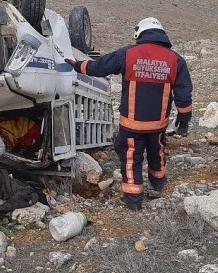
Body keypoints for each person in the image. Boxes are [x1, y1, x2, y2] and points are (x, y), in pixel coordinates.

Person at [65, 17, 193, 211]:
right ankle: (158, 184)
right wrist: (183, 123)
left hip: (132, 124)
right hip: (158, 125)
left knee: (131, 158)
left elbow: (99, 67)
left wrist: (77, 65)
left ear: (139, 34)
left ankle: (133, 201)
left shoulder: (128, 54)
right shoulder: (175, 60)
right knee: (157, 151)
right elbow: (183, 97)